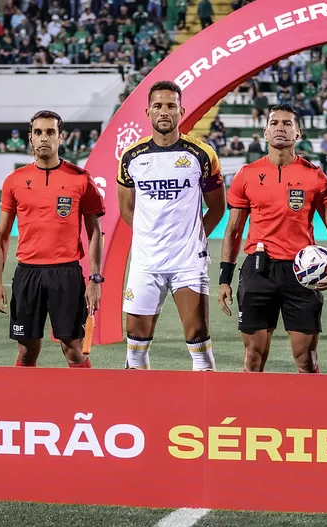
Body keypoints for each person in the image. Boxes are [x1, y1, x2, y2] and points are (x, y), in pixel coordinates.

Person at [218, 104, 327, 373]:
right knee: (253, 355)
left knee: (306, 359)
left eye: (287, 123)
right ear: (265, 132)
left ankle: (309, 414)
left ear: (298, 133)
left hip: (302, 273)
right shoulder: (246, 175)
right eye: (274, 122)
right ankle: (252, 413)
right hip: (258, 270)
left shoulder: (315, 176)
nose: (280, 127)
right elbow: (233, 230)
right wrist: (224, 278)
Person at [117, 80, 226, 371]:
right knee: (136, 346)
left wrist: (193, 237)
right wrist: (147, 234)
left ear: (181, 111)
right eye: (158, 106)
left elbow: (217, 207)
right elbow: (126, 207)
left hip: (187, 261)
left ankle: (205, 411)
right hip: (146, 261)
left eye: (170, 106)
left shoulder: (201, 154)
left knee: (198, 341)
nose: (164, 111)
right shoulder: (131, 157)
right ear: (148, 112)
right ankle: (139, 412)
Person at [0, 110, 104, 368]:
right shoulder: (15, 181)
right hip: (27, 274)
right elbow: (1, 236)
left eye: (50, 132)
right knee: (26, 351)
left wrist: (95, 278)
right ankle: (23, 406)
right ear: (30, 138)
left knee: (74, 350)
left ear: (61, 137)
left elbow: (95, 232)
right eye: (38, 132)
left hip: (65, 273)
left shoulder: (80, 179)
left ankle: (87, 404)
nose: (44, 138)